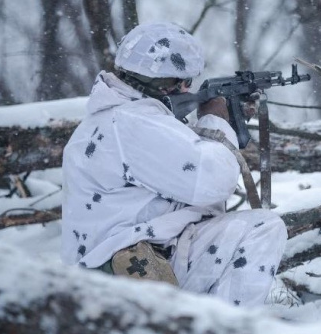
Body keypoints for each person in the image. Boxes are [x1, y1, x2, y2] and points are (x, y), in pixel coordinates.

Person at [61, 22, 287, 308]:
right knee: (262, 228)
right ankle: (228, 331)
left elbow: (179, 181)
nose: (188, 88)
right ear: (166, 82)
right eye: (185, 81)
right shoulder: (134, 123)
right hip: (129, 274)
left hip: (108, 274)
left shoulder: (112, 120)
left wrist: (226, 118)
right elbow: (214, 183)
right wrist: (217, 121)